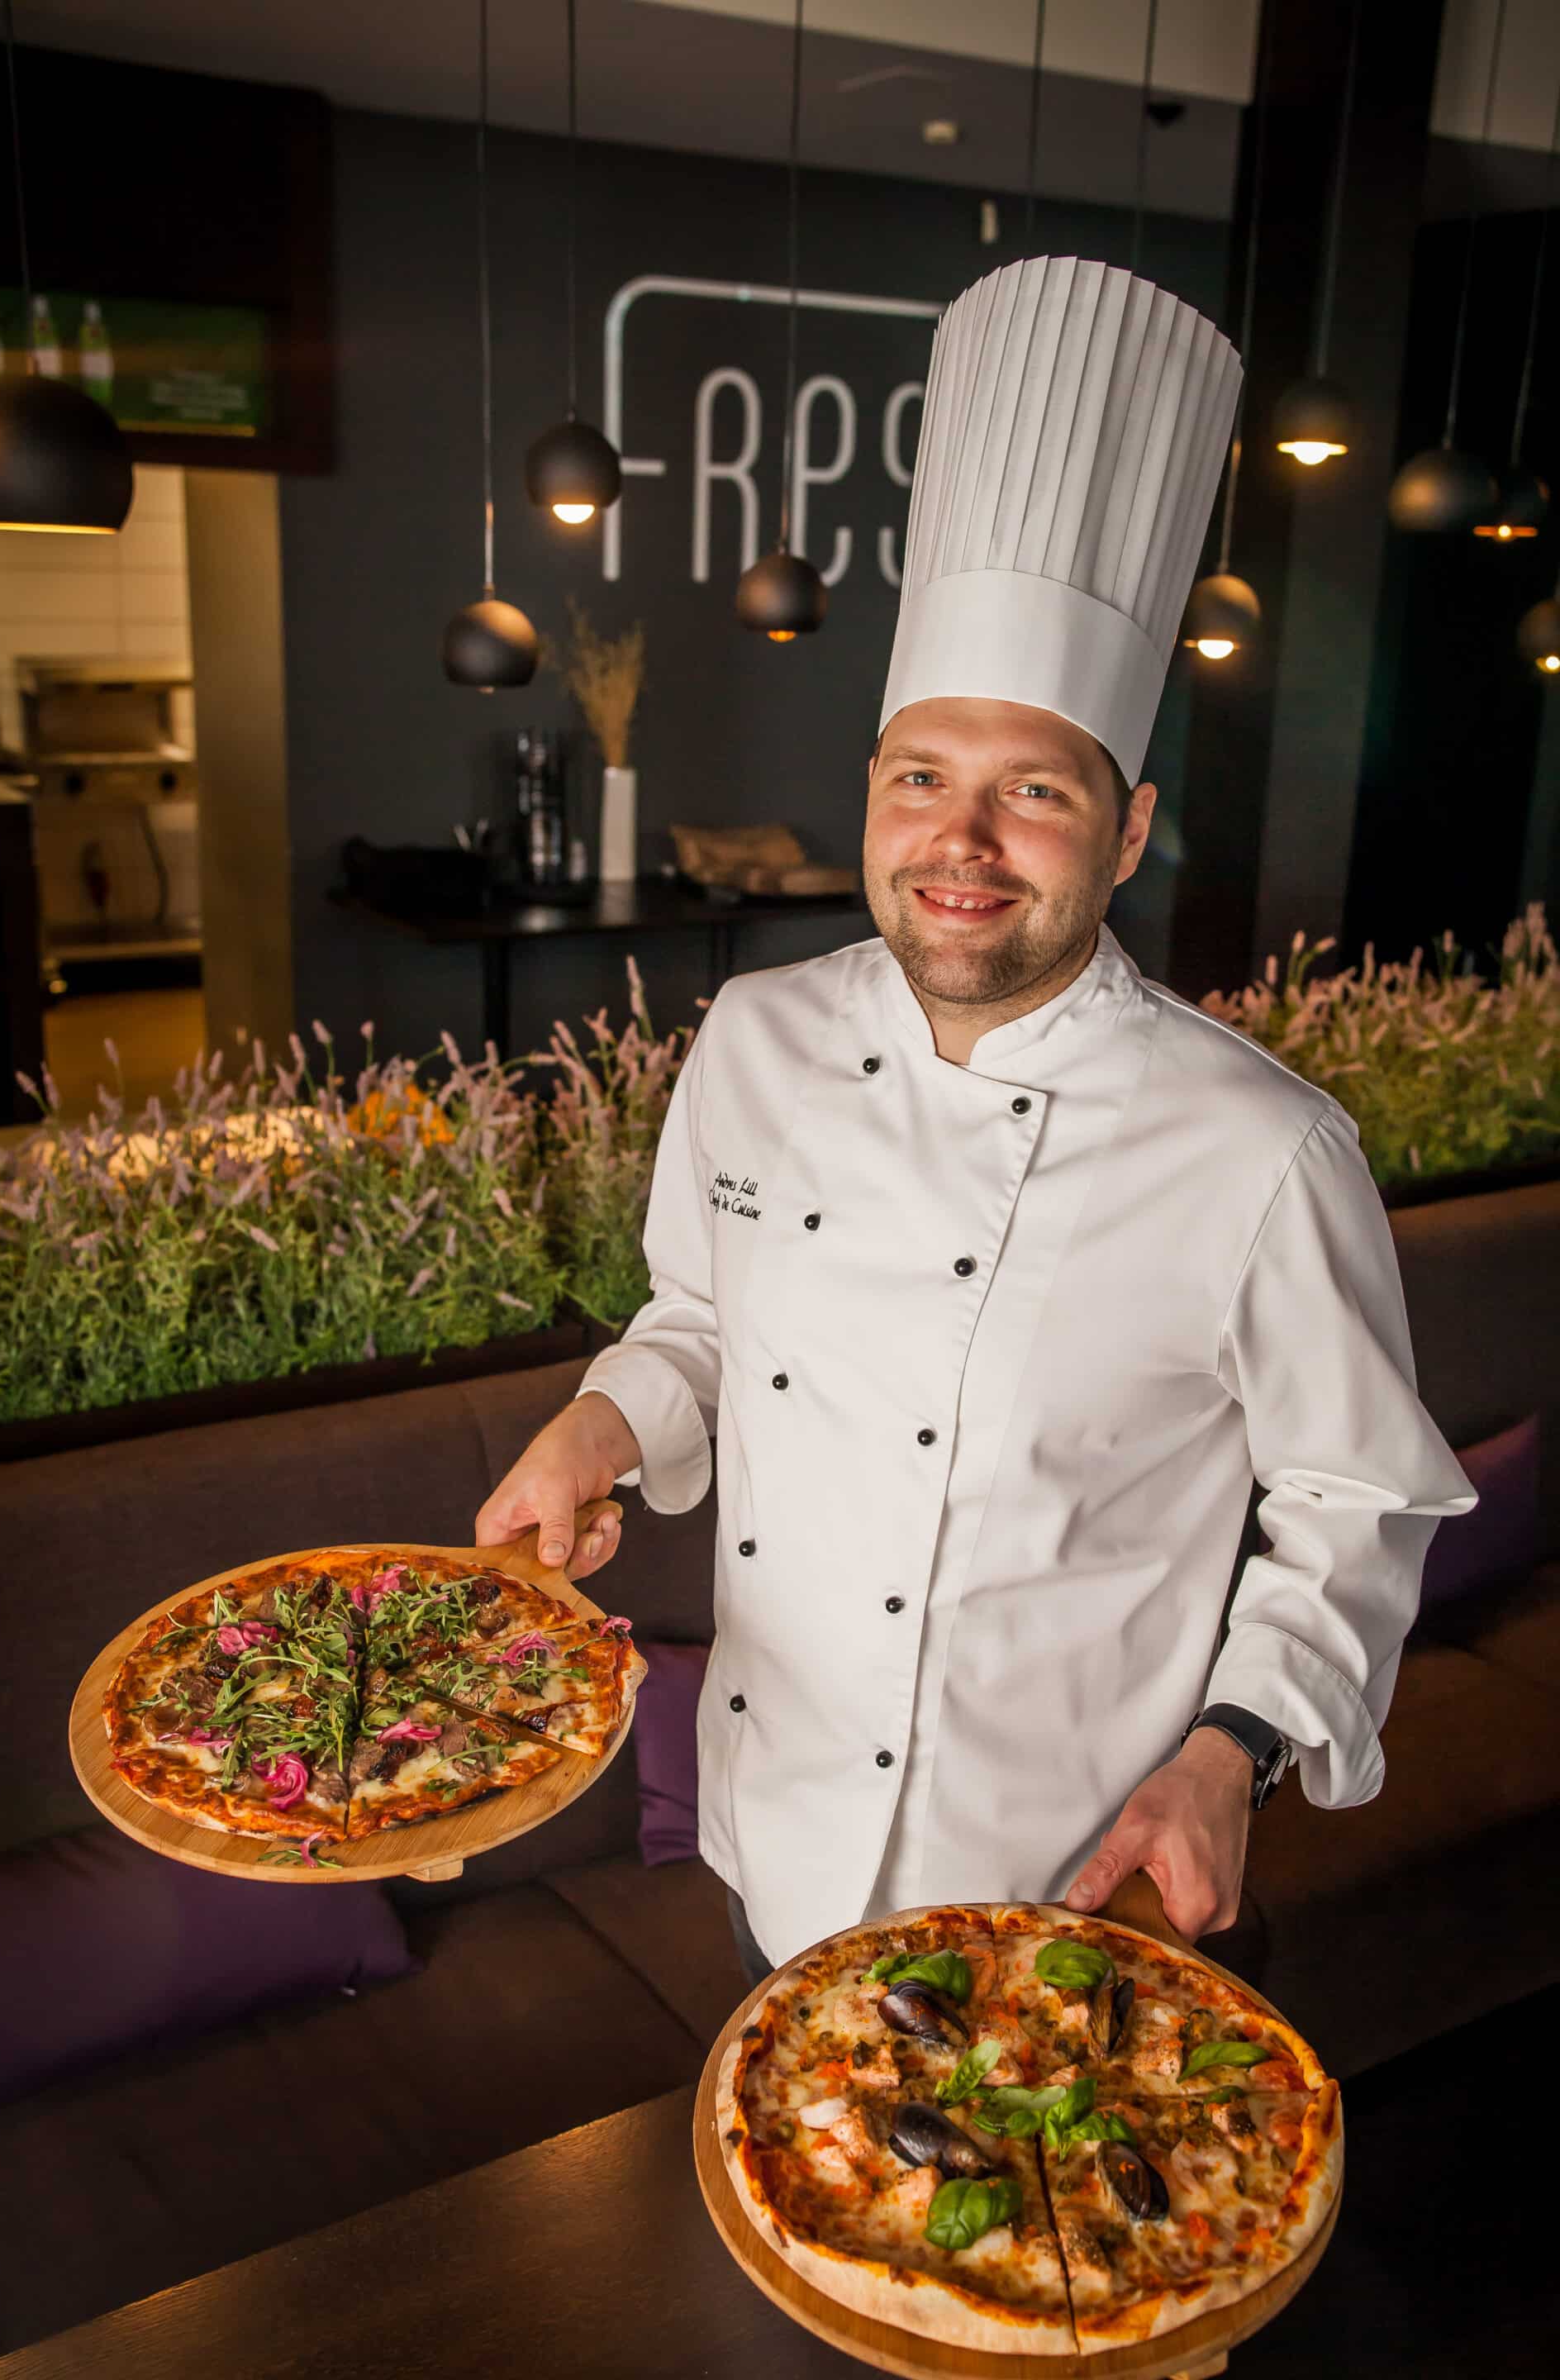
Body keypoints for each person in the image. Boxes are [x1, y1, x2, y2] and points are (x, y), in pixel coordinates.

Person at [474, 257, 1477, 1987]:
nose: (964, 842)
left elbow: (1355, 1495)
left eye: (1035, 791)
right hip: (770, 1830)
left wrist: (1235, 1749)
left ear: (1129, 825)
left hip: (1075, 1883)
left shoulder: (1262, 1148)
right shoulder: (756, 1039)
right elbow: (704, 1318)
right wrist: (602, 1423)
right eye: (923, 779)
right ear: (872, 792)